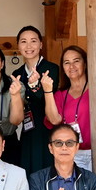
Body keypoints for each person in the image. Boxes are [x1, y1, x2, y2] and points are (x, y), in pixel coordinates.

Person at [11, 25, 60, 176]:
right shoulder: (17, 73)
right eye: (23, 41)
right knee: (27, 170)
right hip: (27, 129)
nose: (29, 46)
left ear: (41, 45)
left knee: (47, 170)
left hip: (47, 127)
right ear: (18, 45)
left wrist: (35, 85)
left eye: (33, 41)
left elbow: (45, 99)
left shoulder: (51, 69)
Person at [43, 46, 92, 171]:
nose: (71, 66)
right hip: (72, 153)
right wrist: (48, 90)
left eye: (76, 61)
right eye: (67, 63)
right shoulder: (61, 95)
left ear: (85, 64)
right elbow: (54, 120)